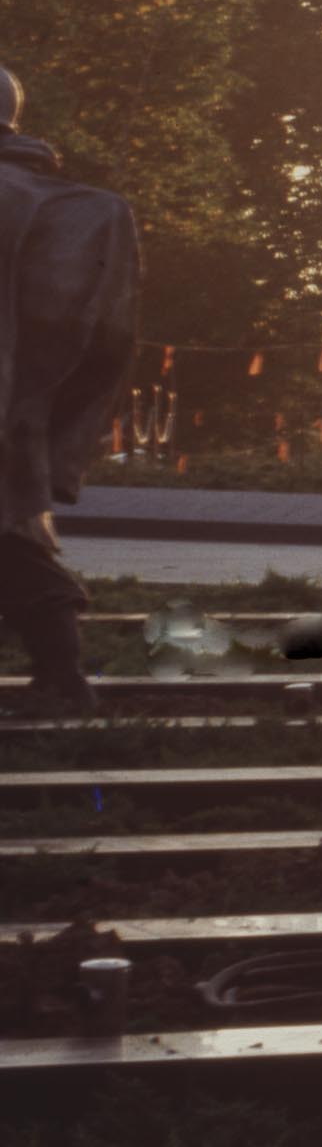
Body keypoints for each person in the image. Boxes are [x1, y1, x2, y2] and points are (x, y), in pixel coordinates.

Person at [0, 67, 147, 719]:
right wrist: (45, 407)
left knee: (13, 541)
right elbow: (107, 341)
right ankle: (61, 676)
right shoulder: (75, 206)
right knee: (13, 528)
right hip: (26, 405)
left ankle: (65, 680)